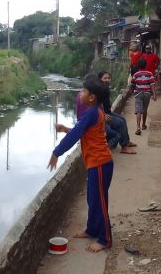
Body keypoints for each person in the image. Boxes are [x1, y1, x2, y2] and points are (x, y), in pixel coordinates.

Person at [48, 75, 113, 253]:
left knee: (99, 202)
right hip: (96, 164)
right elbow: (83, 132)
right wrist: (65, 129)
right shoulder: (94, 111)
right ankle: (92, 230)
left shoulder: (92, 112)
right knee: (92, 199)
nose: (80, 92)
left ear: (91, 97)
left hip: (100, 164)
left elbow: (76, 135)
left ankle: (105, 239)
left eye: (83, 90)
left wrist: (56, 152)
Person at [98, 71, 137, 154]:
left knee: (123, 119)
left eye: (108, 78)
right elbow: (95, 105)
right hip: (102, 116)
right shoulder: (99, 91)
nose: (107, 80)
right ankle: (124, 147)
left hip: (108, 113)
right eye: (105, 78)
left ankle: (127, 141)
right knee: (120, 123)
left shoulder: (105, 89)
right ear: (99, 79)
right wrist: (103, 115)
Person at [129, 57, 156, 135]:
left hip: (138, 94)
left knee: (138, 111)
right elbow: (152, 85)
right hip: (147, 94)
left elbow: (132, 85)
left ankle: (138, 127)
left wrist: (131, 91)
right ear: (146, 65)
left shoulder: (136, 74)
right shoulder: (150, 74)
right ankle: (143, 125)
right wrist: (154, 94)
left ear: (138, 65)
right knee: (144, 110)